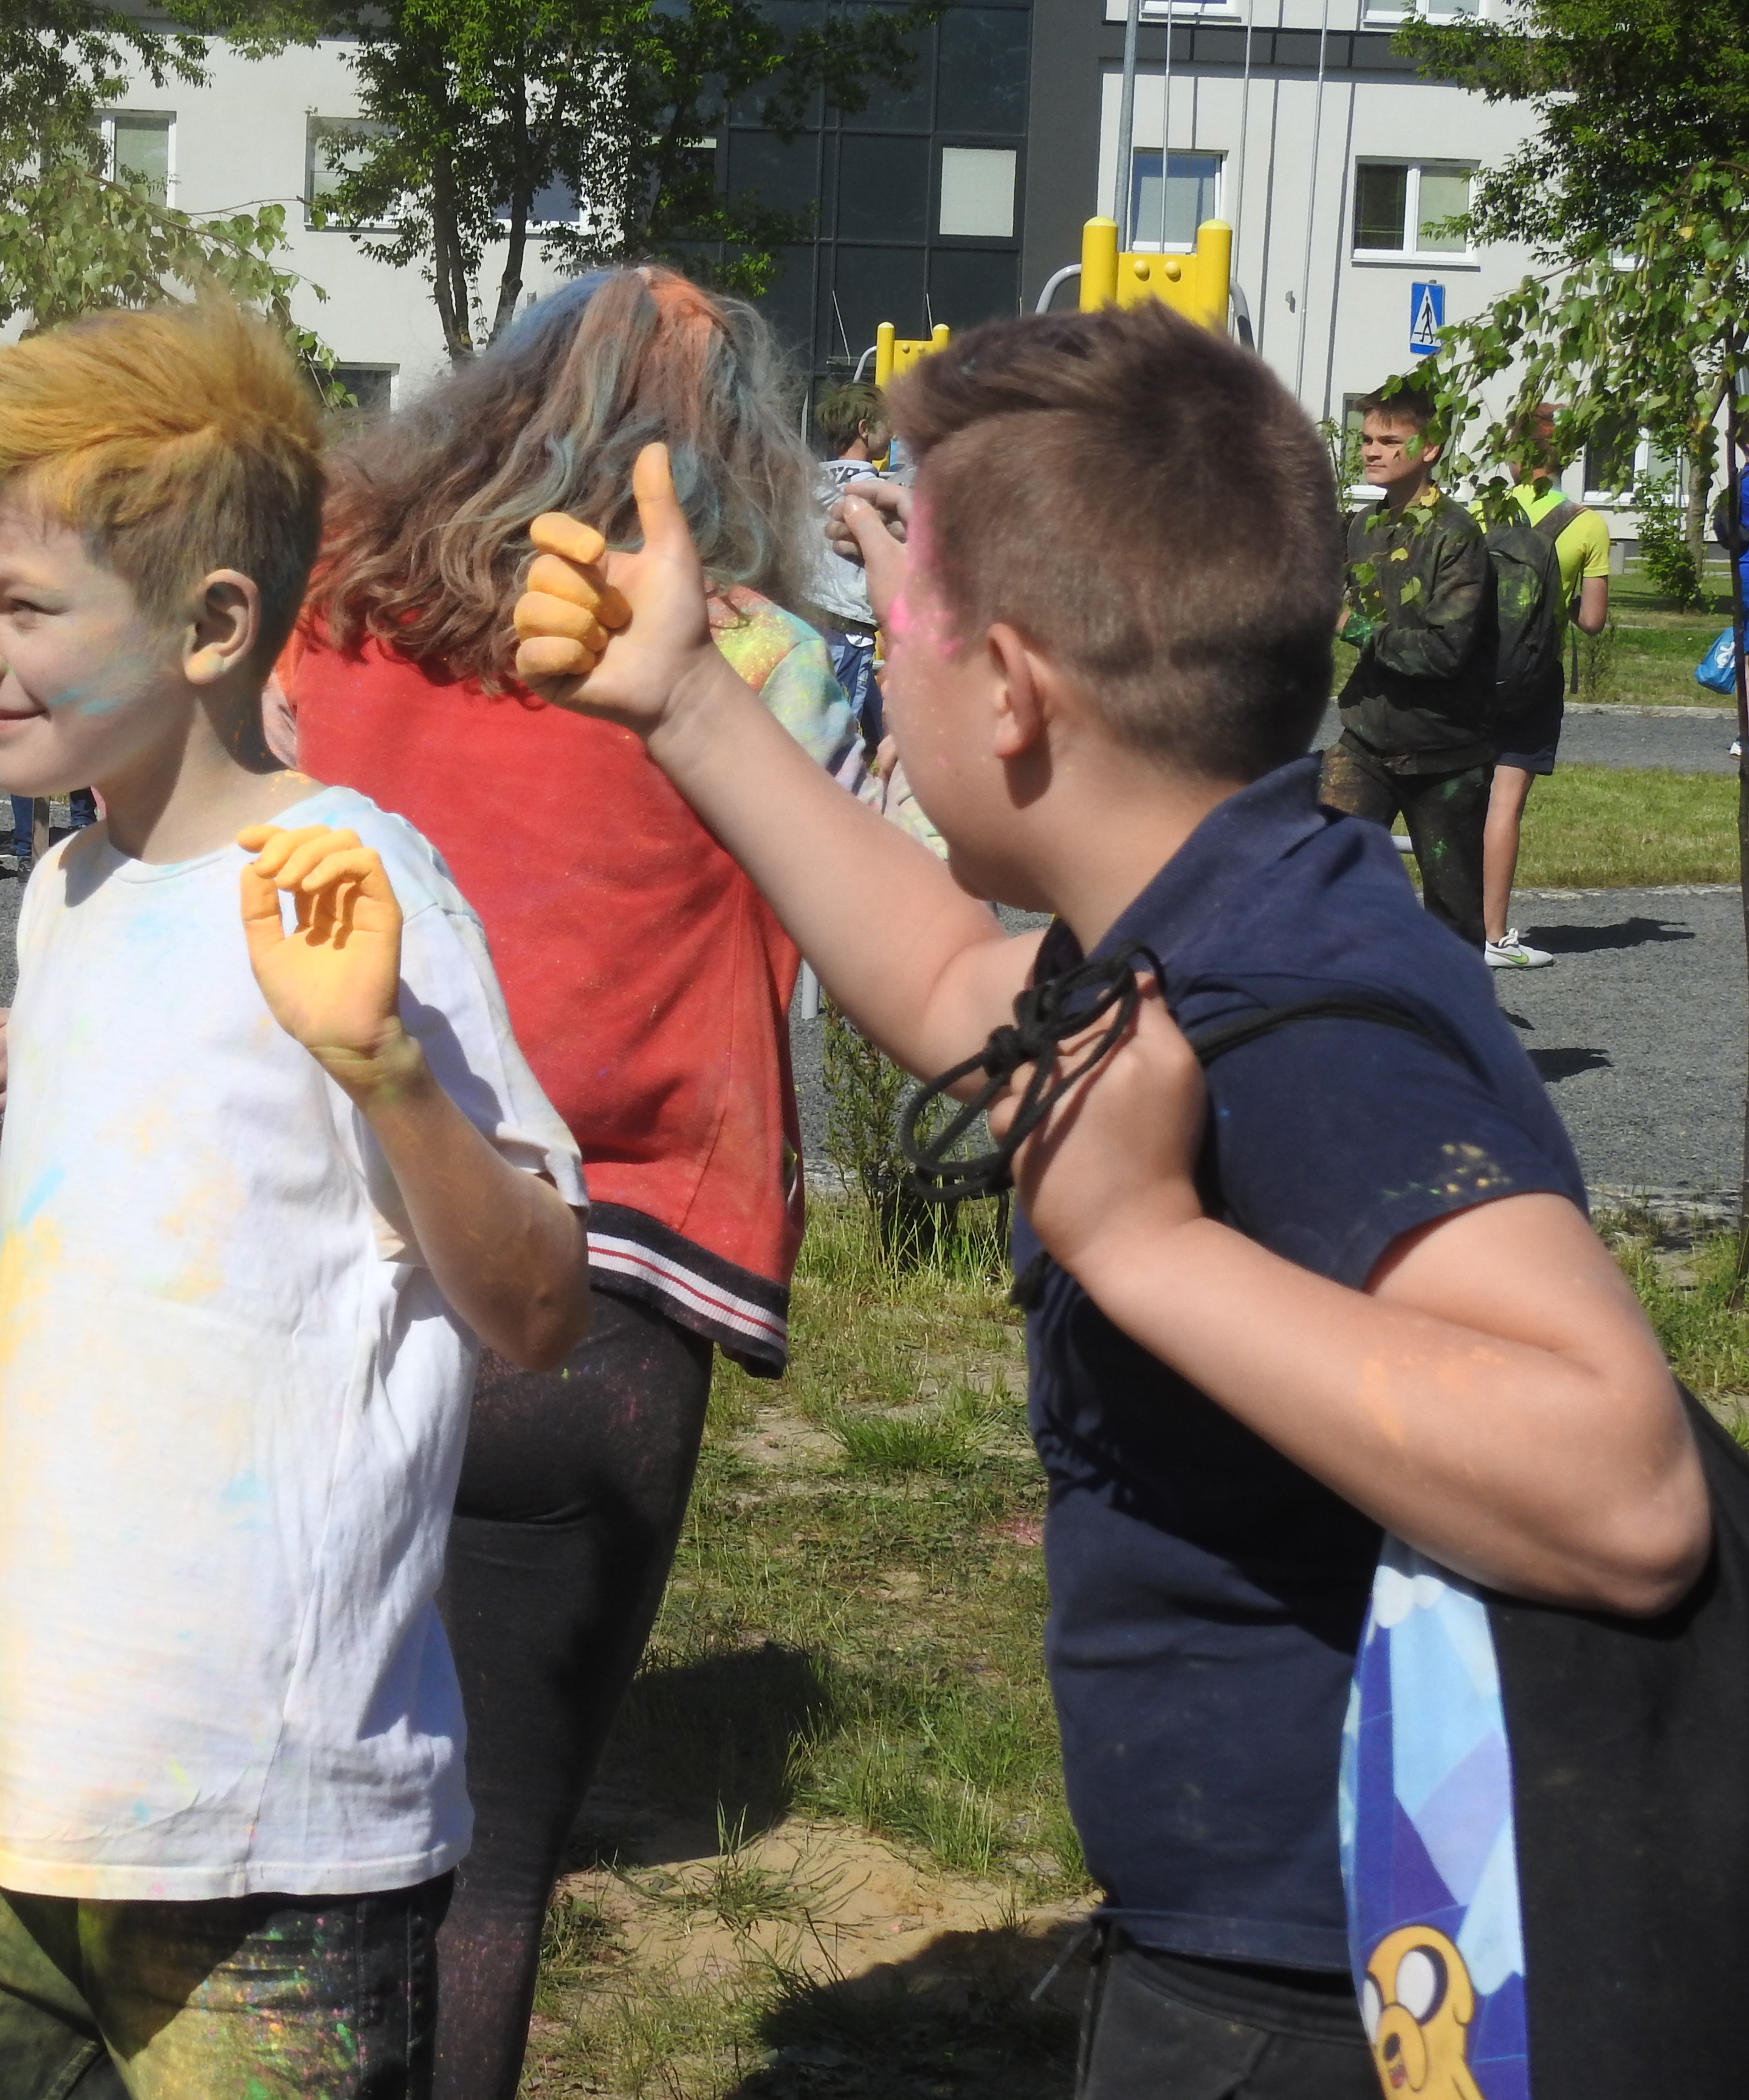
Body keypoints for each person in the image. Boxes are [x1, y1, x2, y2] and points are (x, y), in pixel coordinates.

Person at [509, 301, 1707, 2096]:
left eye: (898, 610)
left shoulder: (1302, 1001)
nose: (875, 638)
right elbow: (945, 984)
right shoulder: (1211, 911)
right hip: (1257, 1951)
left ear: (1008, 691)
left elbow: (1625, 1487)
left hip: (1337, 2001)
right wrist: (683, 699)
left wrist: (1147, 1246)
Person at [0, 300, 591, 2099]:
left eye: (21, 609)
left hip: (276, 1843)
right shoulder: (72, 896)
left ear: (211, 626)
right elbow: (150, 1301)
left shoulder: (354, 887)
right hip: (16, 1792)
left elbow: (537, 1307)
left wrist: (387, 1073)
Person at [286, 264, 864, 2100]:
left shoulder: (324, 599)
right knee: (493, 1864)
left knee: (269, 1824)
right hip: (609, 1297)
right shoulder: (751, 660)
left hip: (325, 1249)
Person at [1319, 383, 1496, 947]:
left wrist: (1353, 627)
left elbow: (1445, 652)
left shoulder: (1455, 535)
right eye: (1367, 439)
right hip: (1365, 740)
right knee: (1322, 882)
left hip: (1445, 753)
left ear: (1429, 449)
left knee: (1453, 915)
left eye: (1390, 441)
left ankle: (1453, 1002)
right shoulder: (1363, 527)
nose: (1372, 451)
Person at [1484, 441, 1612, 969]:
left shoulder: (1482, 512)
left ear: (1512, 460)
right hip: (1533, 678)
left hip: (1469, 673)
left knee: (1454, 797)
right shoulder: (1587, 524)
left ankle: (1445, 923)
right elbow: (1593, 621)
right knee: (1505, 804)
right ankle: (1493, 936)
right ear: (1565, 459)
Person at [807, 379, 892, 747]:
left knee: (872, 726)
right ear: (864, 428)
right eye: (887, 424)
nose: (893, 433)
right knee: (838, 740)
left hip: (809, 620)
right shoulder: (877, 492)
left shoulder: (809, 480)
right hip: (850, 628)